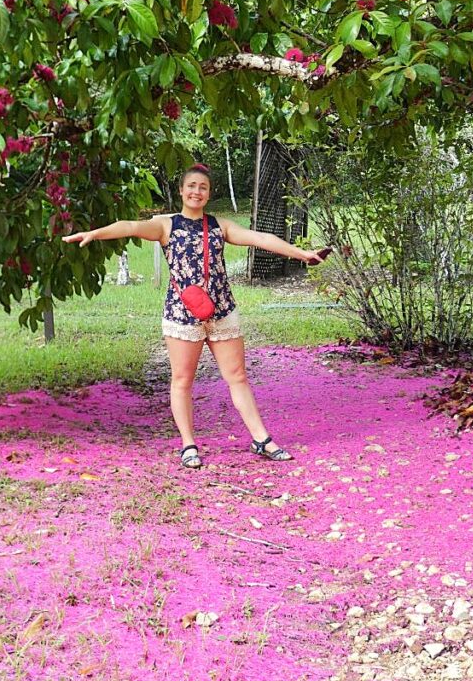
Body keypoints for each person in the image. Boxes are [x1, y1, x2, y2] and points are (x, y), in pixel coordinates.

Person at [63, 164, 330, 469]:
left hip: (221, 310)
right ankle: (189, 445)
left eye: (202, 187)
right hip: (182, 314)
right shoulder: (165, 225)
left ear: (208, 193)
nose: (196, 192)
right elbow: (130, 226)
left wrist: (302, 254)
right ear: (181, 190)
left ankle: (262, 440)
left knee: (238, 377)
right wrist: (94, 234)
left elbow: (261, 238)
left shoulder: (220, 225)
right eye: (191, 186)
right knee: (182, 380)